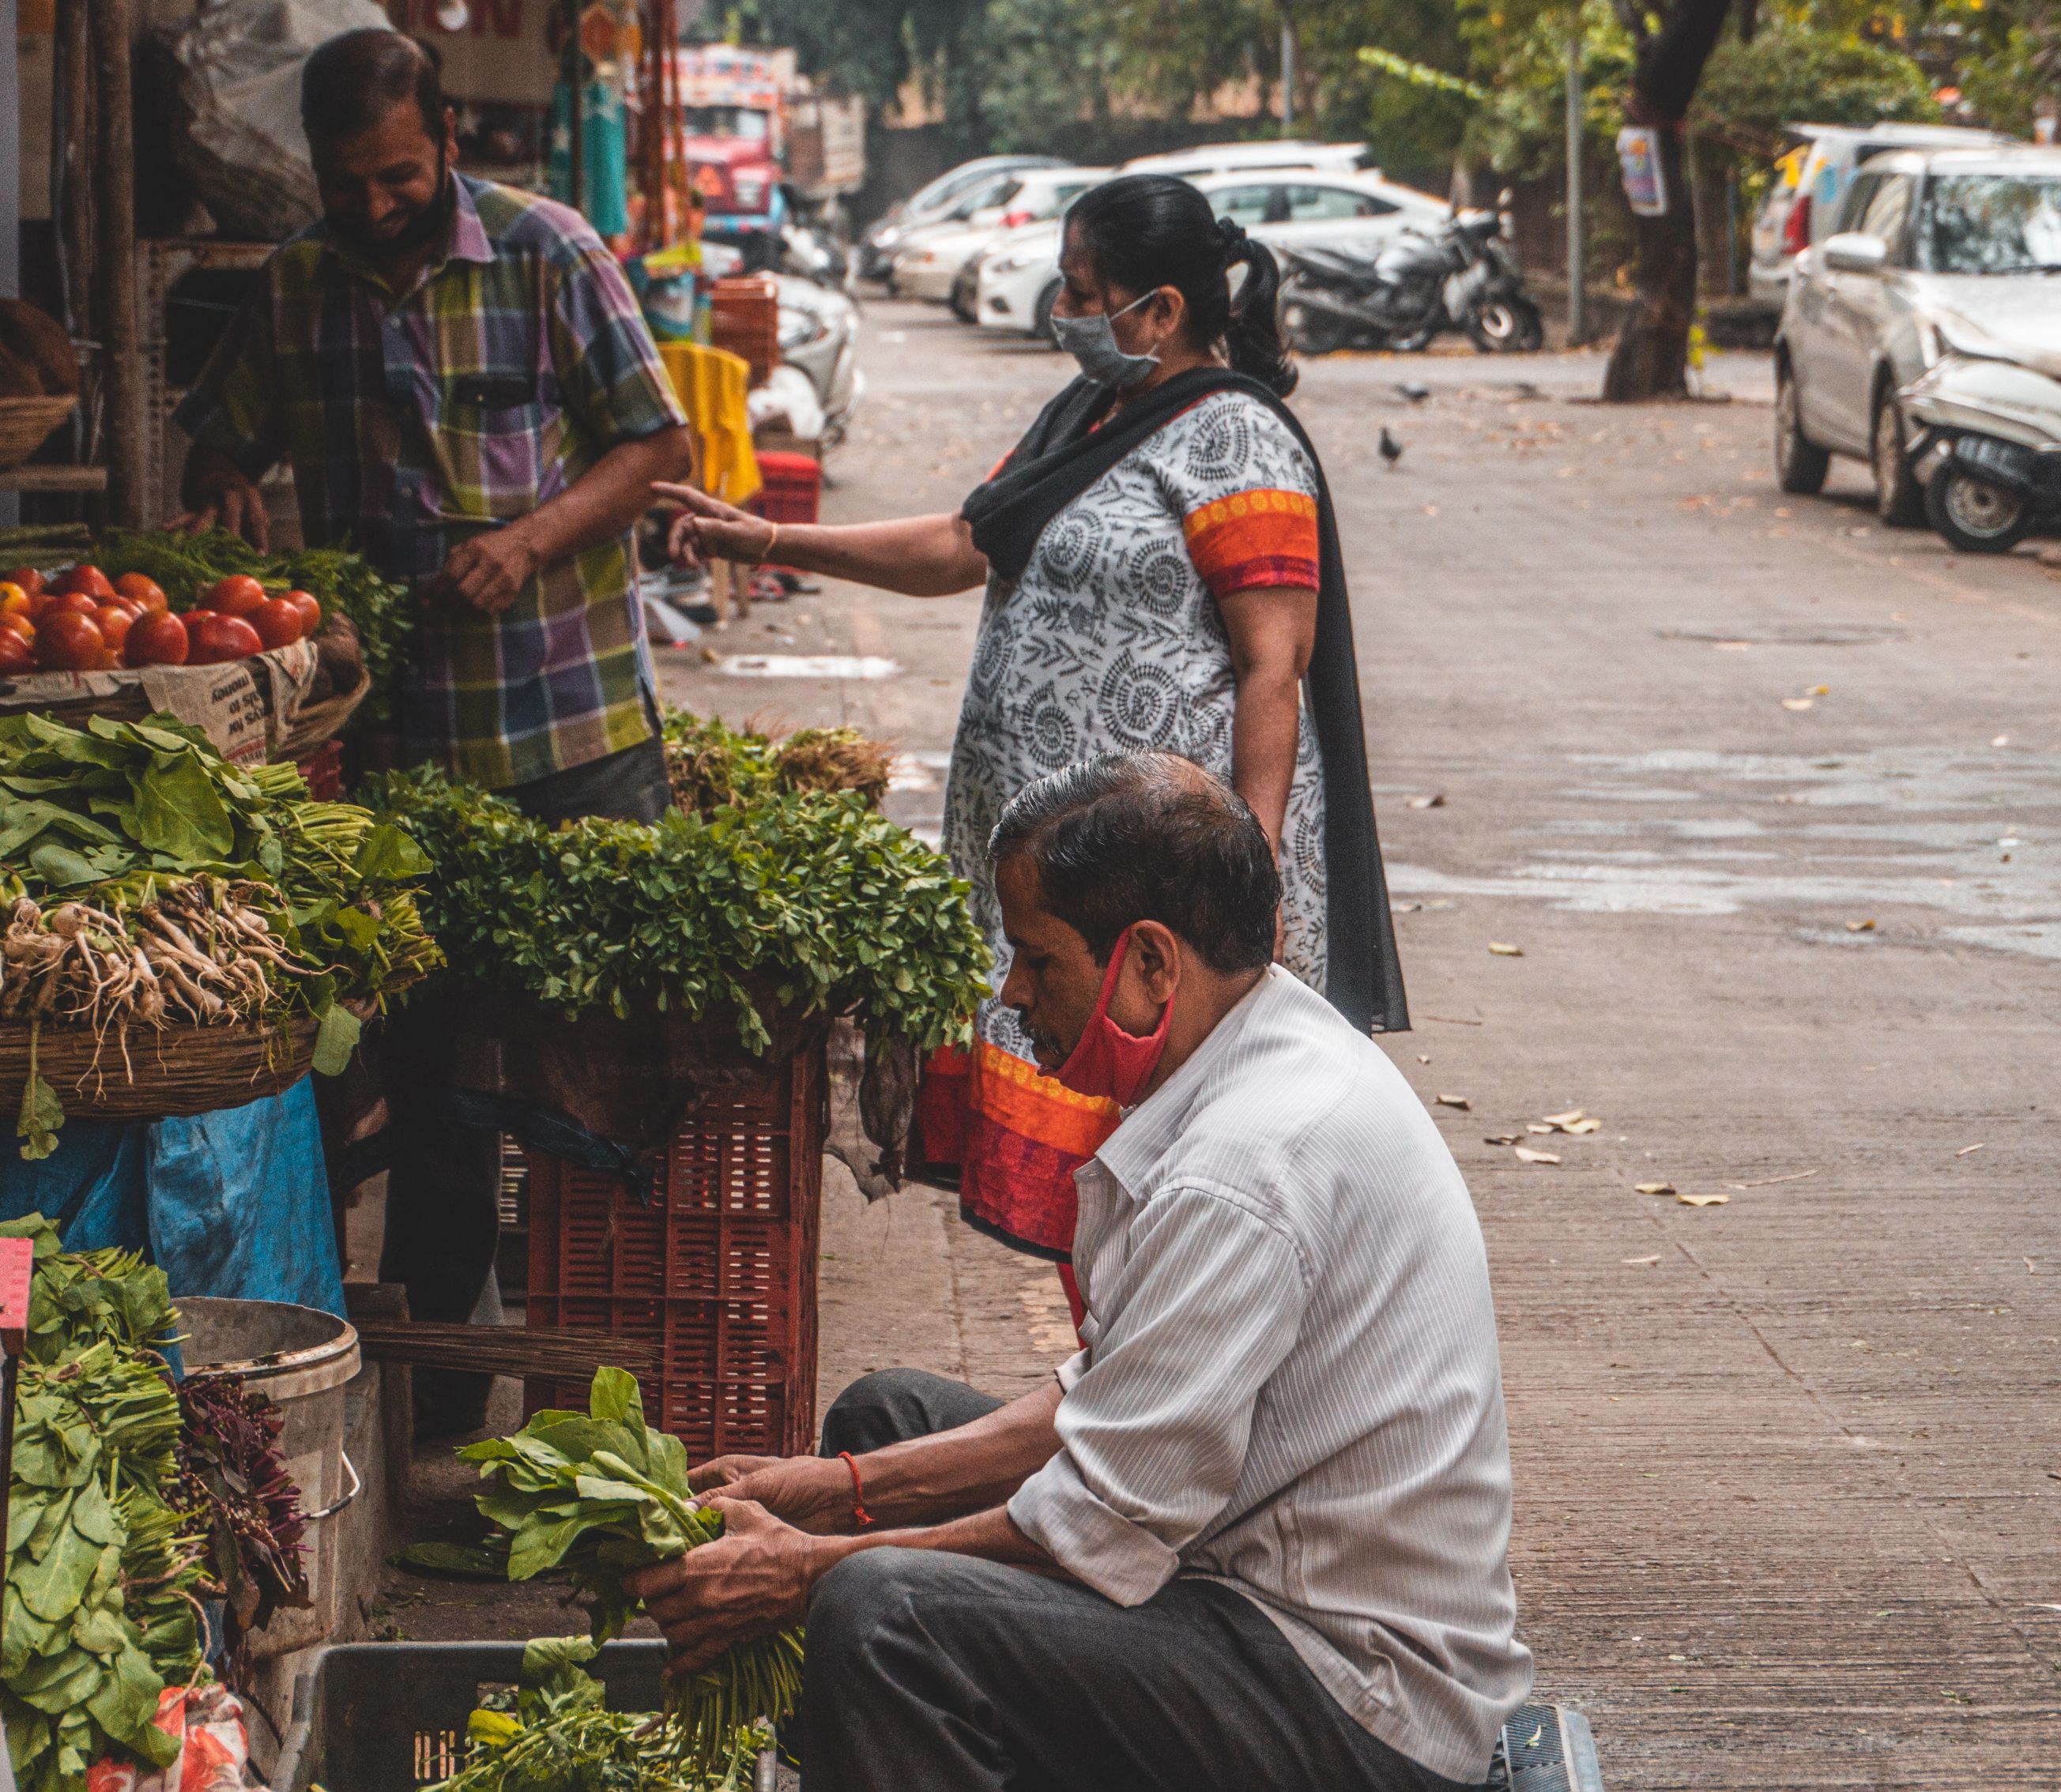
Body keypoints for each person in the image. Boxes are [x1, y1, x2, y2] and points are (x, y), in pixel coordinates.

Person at [625, 751, 1530, 1792]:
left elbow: (1099, 1525)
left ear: (1148, 962)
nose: (1012, 993)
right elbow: (1112, 1402)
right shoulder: (1256, 1044)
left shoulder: (1242, 1171)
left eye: (1038, 959)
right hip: (1240, 1580)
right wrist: (838, 1489)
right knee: (888, 1418)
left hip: (1352, 1701)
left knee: (881, 1614)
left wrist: (798, 1571)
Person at [656, 173, 1406, 1306]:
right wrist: (770, 537)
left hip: (1161, 892)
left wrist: (1244, 874)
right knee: (1094, 1176)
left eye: (1083, 289)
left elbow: (1272, 665)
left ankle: (1137, 1409)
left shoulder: (1236, 440)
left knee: (1159, 1159)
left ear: (1159, 312)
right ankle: (1108, 1399)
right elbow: (965, 544)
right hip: (1068, 885)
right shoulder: (1084, 418)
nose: (1063, 308)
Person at [171, 28, 695, 1431]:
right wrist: (224, 484)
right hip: (404, 767)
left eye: (400, 178)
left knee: (600, 1078)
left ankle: (608, 1409)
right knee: (434, 1090)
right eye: (351, 186)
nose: (377, 207)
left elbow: (659, 447)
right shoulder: (292, 288)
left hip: (578, 739)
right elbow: (211, 437)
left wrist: (532, 539)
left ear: (446, 141)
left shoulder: (549, 252)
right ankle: (440, 1435)